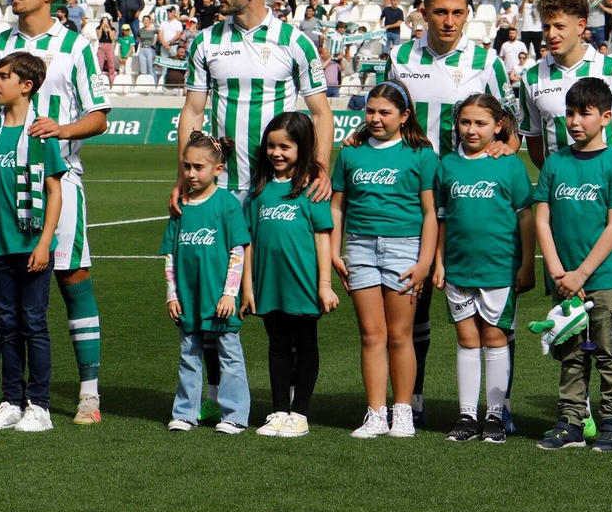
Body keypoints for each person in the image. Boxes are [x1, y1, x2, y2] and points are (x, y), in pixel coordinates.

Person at [0, 0, 111, 425]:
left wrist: (60, 130)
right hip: (0, 179)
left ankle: (88, 395)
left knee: (72, 277)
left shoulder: (76, 47)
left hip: (58, 178)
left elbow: (99, 117)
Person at [175, 0, 332, 420]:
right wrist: (184, 178)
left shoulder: (295, 42)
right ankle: (219, 399)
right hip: (221, 191)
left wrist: (319, 168)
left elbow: (321, 113)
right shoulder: (206, 41)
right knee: (209, 297)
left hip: (276, 191)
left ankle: (288, 406)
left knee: (281, 302)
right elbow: (193, 111)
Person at [516, 0, 612, 443]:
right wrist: (565, 187)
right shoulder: (531, 77)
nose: (550, 34)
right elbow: (536, 144)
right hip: (563, 207)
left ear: (582, 26)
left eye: (559, 25)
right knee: (570, 308)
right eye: (545, 26)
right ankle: (579, 413)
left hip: (607, 207)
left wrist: (606, 191)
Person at [386, 0, 520, 427]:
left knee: (496, 312)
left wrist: (505, 150)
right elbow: (385, 111)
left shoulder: (486, 61)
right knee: (415, 297)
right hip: (411, 192)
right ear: (423, 12)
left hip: (468, 199)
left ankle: (501, 408)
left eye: (457, 12)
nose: (449, 21)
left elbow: (511, 123)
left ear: (468, 15)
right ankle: (414, 398)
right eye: (440, 12)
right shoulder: (400, 57)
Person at [0, 51, 68, 433]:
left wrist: (44, 242)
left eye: (4, 76)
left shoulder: (40, 134)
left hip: (31, 246)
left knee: (33, 324)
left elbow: (54, 192)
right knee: (7, 325)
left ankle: (40, 406)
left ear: (26, 85)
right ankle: (12, 402)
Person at [532, 77, 612, 453]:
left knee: (611, 354)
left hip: (605, 278)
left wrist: (581, 274)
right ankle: (571, 423)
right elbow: (542, 219)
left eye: (585, 113)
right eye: (570, 113)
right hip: (564, 279)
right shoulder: (555, 163)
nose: (575, 121)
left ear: (607, 117)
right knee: (571, 354)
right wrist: (559, 272)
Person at [330, 81, 437, 439]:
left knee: (400, 336)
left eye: (385, 112)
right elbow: (337, 207)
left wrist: (424, 262)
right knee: (371, 335)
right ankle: (375, 413)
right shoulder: (350, 154)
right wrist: (335, 252)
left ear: (404, 116)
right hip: (359, 248)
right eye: (370, 111)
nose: (375, 118)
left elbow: (430, 213)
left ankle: (402, 411)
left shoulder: (422, 154)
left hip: (405, 248)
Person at [433, 93, 534, 444]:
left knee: (494, 338)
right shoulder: (447, 165)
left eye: (480, 123)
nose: (471, 130)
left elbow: (526, 218)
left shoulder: (509, 164)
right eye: (465, 122)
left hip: (499, 269)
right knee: (466, 339)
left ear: (498, 125)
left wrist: (527, 264)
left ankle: (494, 416)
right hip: (459, 269)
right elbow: (442, 219)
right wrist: (439, 262)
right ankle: (466, 415)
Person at [241, 112, 337, 439]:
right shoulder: (259, 191)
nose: (276, 153)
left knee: (306, 346)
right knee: (277, 347)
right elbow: (249, 241)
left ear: (303, 147)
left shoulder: (312, 190)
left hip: (304, 285)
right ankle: (280, 411)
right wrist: (248, 286)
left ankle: (300, 414)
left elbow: (322, 238)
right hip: (269, 286)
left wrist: (324, 285)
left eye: (285, 147)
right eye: (271, 146)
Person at [162, 132, 251, 433]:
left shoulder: (227, 204)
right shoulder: (180, 207)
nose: (191, 173)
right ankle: (185, 413)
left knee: (229, 354)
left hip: (219, 297)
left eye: (198, 167)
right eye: (186, 166)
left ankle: (235, 415)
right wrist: (172, 295)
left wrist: (229, 294)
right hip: (188, 296)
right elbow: (170, 255)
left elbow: (237, 251)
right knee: (189, 354)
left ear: (218, 169)